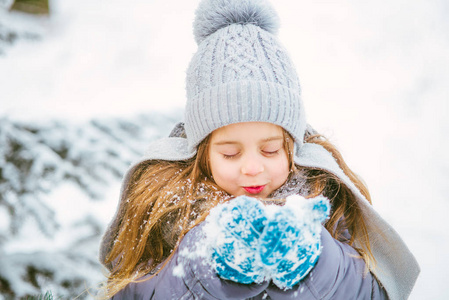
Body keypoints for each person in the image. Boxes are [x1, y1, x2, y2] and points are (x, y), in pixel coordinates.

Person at [99, 0, 420, 299]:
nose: (252, 167)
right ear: (202, 152)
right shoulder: (170, 208)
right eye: (230, 153)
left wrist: (318, 262)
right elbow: (130, 289)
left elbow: (371, 292)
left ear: (293, 148)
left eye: (269, 151)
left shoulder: (325, 198)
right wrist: (202, 263)